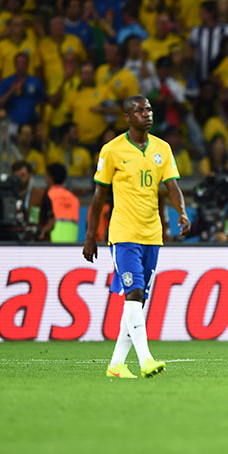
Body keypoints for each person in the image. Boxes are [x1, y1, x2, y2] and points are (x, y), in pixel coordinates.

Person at [83, 95, 190, 379]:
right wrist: (90, 235)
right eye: (139, 110)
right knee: (134, 293)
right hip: (123, 233)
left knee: (136, 302)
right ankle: (145, 359)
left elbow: (172, 186)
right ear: (127, 117)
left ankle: (116, 364)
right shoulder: (112, 150)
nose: (147, 114)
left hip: (152, 234)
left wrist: (182, 212)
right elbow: (98, 197)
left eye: (149, 109)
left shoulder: (162, 149)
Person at [46, 163, 79, 243]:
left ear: (51, 178)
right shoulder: (74, 199)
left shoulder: (48, 196)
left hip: (52, 242)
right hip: (71, 242)